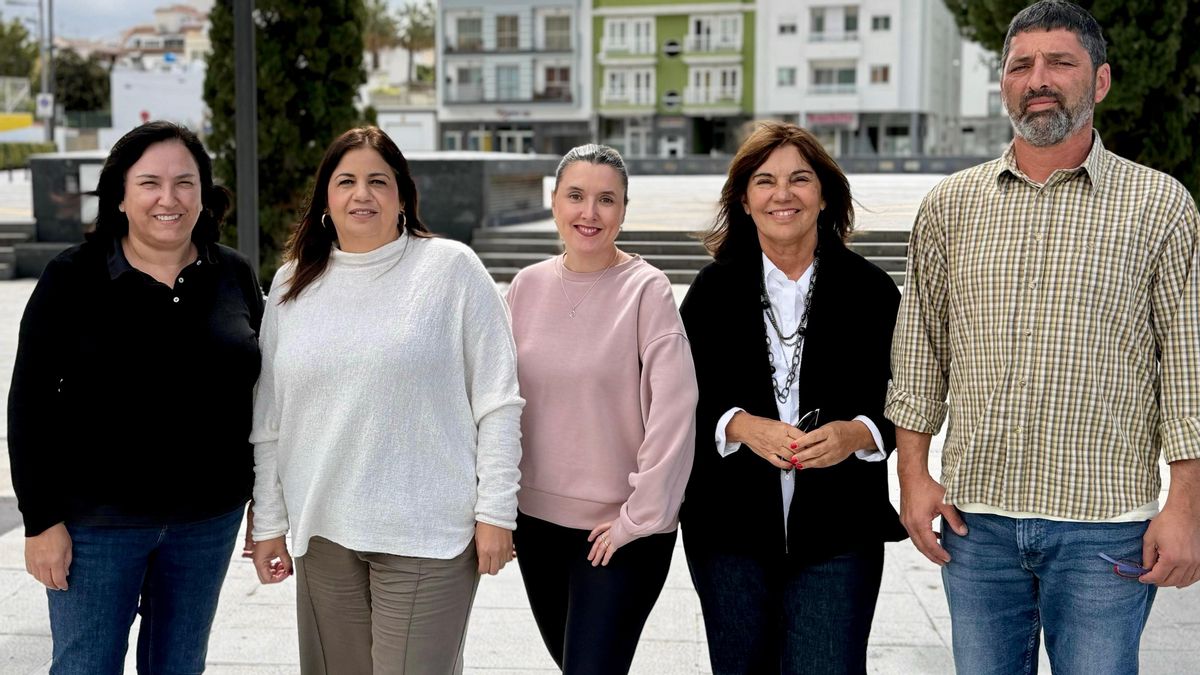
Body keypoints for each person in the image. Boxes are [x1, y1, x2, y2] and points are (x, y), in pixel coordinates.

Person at [887, 1, 1200, 672]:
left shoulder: (1160, 205)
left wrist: (1186, 506)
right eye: (1021, 65)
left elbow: (1187, 369)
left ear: (1103, 80)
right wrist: (913, 476)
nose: (1039, 79)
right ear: (1002, 82)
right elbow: (919, 353)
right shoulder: (951, 206)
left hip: (1105, 524)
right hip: (978, 526)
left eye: (1061, 62)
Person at [249, 126, 523, 674]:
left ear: (402, 196)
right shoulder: (289, 287)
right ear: (326, 197)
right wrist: (268, 524)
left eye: (378, 180)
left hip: (426, 530)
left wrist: (496, 511)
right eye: (346, 180)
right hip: (323, 531)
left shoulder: (451, 269)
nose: (362, 194)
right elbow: (269, 421)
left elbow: (497, 401)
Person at [7, 120, 264, 672]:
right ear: (120, 195)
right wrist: (39, 521)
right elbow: (28, 405)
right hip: (94, 527)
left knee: (179, 666)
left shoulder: (233, 274)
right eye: (149, 182)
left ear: (204, 194)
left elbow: (264, 396)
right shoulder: (71, 278)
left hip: (205, 522)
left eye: (184, 183)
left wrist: (265, 499)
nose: (167, 199)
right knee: (86, 666)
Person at [679, 121, 907, 674]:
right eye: (765, 181)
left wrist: (859, 433)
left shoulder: (873, 290)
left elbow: (908, 396)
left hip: (840, 533)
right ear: (745, 200)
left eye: (800, 179)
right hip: (727, 532)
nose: (783, 194)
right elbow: (674, 399)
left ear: (824, 194)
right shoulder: (710, 291)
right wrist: (738, 425)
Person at [505, 144, 698, 674]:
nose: (589, 213)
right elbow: (499, 403)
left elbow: (675, 411)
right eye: (576, 196)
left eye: (606, 199)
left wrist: (640, 517)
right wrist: (498, 508)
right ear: (554, 202)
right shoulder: (525, 287)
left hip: (619, 532)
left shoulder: (647, 290)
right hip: (537, 526)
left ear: (623, 210)